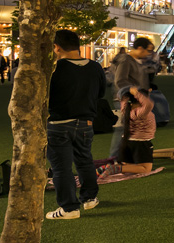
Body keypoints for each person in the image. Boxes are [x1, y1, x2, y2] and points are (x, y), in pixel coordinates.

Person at [46, 29, 106, 220]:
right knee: (85, 161)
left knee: (61, 167)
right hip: (85, 122)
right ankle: (89, 198)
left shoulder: (54, 69)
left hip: (58, 123)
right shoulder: (95, 67)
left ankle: (69, 207)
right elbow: (100, 93)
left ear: (56, 47)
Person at [100, 86, 156, 176]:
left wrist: (140, 92)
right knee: (146, 169)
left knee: (130, 167)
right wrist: (137, 93)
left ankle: (111, 167)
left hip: (126, 142)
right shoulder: (140, 113)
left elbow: (123, 97)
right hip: (140, 143)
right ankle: (116, 168)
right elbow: (148, 104)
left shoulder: (125, 109)